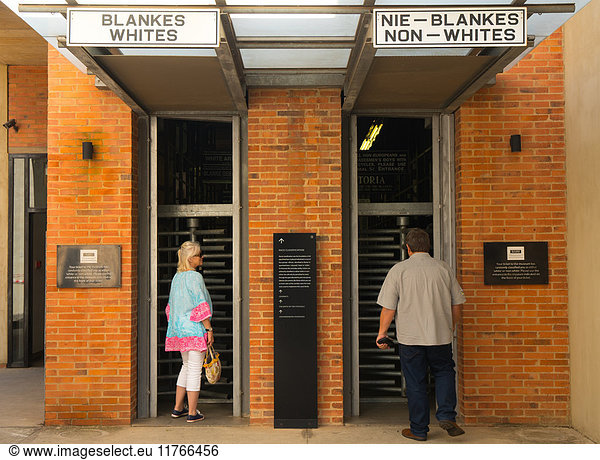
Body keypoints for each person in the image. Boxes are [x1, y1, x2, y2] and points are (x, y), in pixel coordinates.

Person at [376, 228, 466, 441]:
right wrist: (450, 327)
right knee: (444, 372)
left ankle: (419, 430)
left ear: (407, 247)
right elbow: (456, 305)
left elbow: (389, 308)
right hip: (440, 337)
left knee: (416, 383)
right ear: (428, 246)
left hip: (411, 339)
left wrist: (382, 333)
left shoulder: (399, 270)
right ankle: (446, 415)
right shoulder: (444, 269)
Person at [165, 241, 214, 423]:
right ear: (191, 258)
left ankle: (178, 408)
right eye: (200, 254)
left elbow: (169, 308)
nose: (202, 257)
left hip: (179, 331)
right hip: (194, 329)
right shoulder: (194, 277)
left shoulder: (177, 277)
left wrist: (177, 325)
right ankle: (192, 412)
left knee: (186, 367)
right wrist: (208, 329)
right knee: (194, 371)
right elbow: (200, 305)